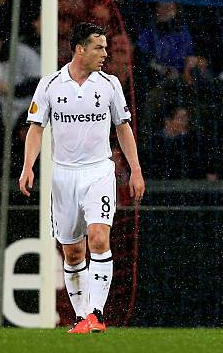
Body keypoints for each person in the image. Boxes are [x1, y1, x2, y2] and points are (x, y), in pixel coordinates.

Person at [18, 22, 145, 334]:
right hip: (62, 176)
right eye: (98, 47)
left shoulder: (110, 84)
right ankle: (81, 317)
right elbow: (36, 128)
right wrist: (28, 166)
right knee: (73, 251)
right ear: (79, 49)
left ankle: (97, 313)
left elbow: (123, 127)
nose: (105, 53)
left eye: (105, 47)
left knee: (99, 238)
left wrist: (136, 169)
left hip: (99, 172)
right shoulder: (50, 85)